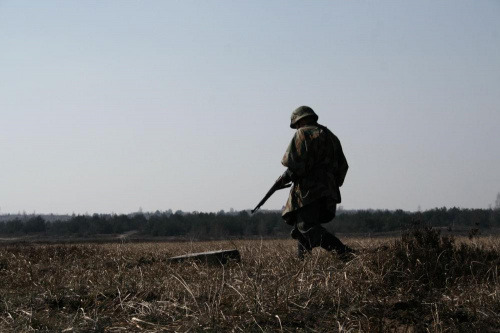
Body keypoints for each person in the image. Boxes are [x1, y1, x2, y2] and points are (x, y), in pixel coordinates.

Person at [278, 106, 354, 259]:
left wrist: (284, 180)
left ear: (301, 120)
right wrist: (331, 184)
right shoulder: (331, 136)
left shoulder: (303, 133)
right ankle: (302, 262)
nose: (297, 128)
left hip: (308, 190)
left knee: (306, 226)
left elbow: (292, 163)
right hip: (329, 191)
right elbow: (343, 166)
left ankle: (345, 253)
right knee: (301, 227)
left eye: (297, 125)